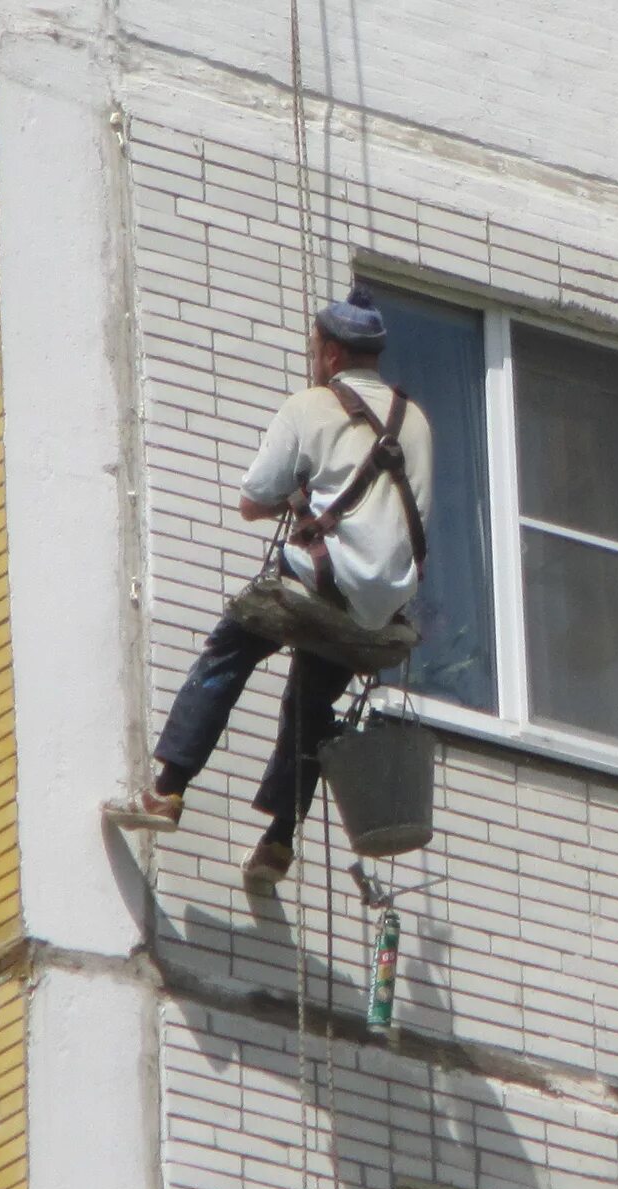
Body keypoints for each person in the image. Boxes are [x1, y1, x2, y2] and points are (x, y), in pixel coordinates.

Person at [113, 284, 433, 893]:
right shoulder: (415, 422)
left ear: (332, 355)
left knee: (228, 655)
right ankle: (278, 842)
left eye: (317, 348)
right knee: (311, 707)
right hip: (379, 606)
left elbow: (252, 502)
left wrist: (297, 499)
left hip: (319, 581)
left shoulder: (310, 406)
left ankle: (169, 790)